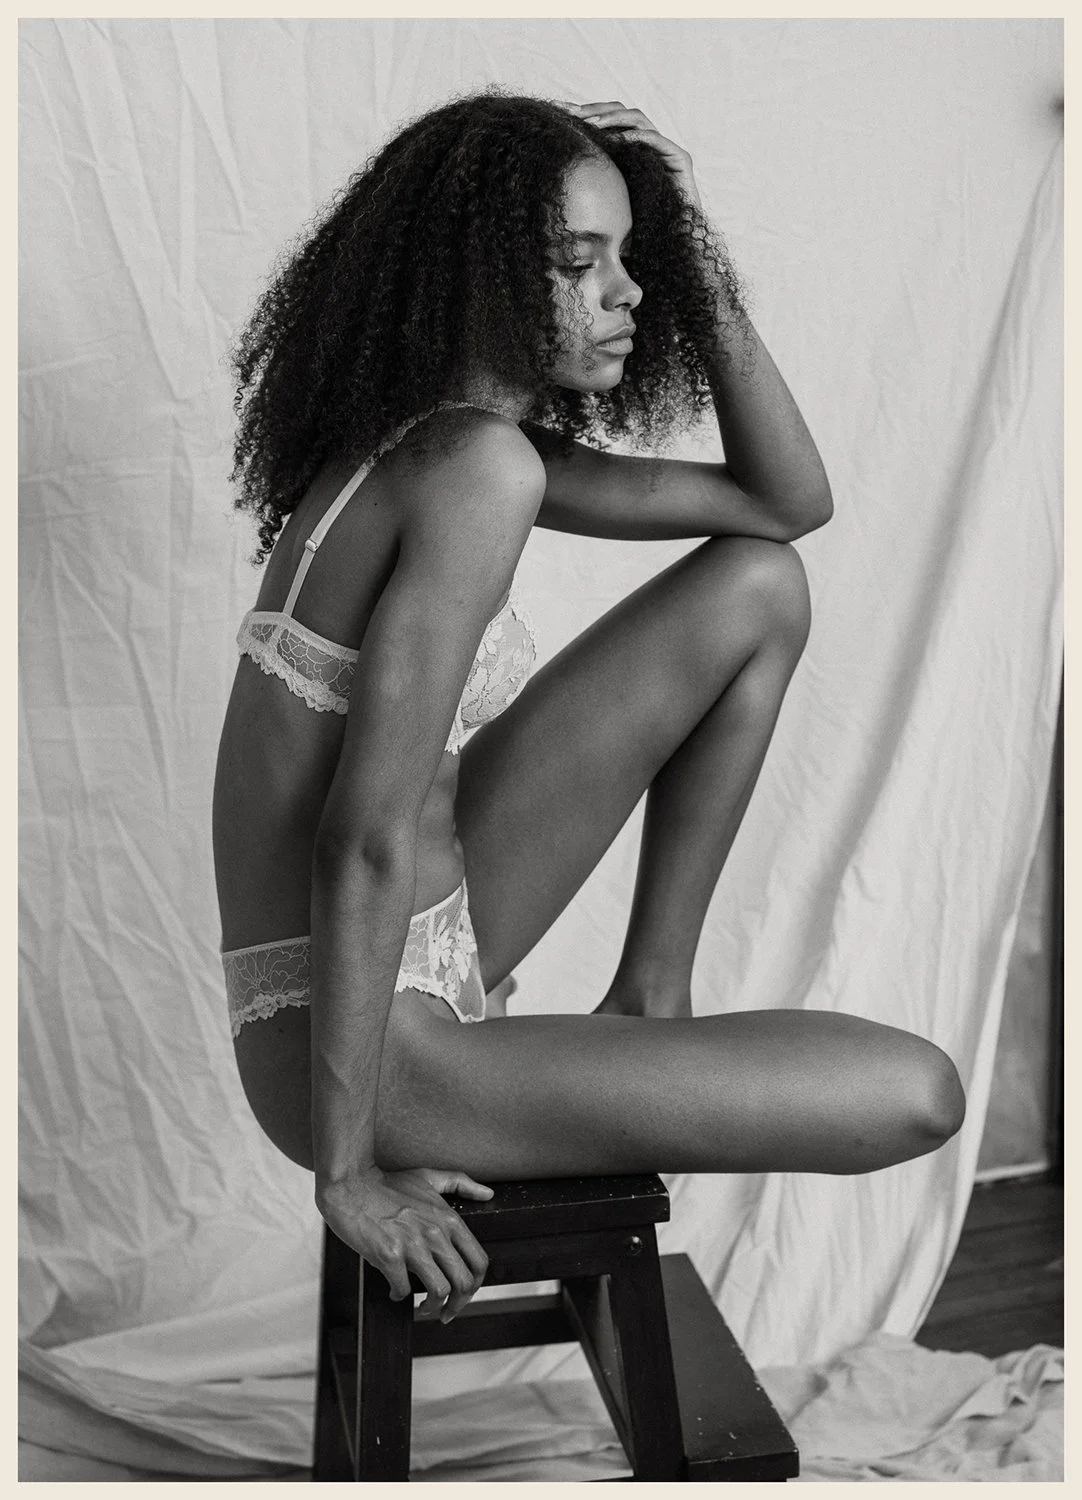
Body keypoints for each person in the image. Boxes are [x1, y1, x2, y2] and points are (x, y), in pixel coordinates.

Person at [213, 92, 965, 1324]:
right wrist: (346, 1175)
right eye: (581, 263)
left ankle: (648, 991)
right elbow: (362, 836)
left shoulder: (452, 441)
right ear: (478, 281)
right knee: (916, 1093)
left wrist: (695, 271)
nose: (628, 294)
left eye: (635, 258)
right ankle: (522, 1065)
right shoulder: (473, 472)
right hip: (355, 1039)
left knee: (754, 585)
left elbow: (782, 508)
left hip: (428, 939)